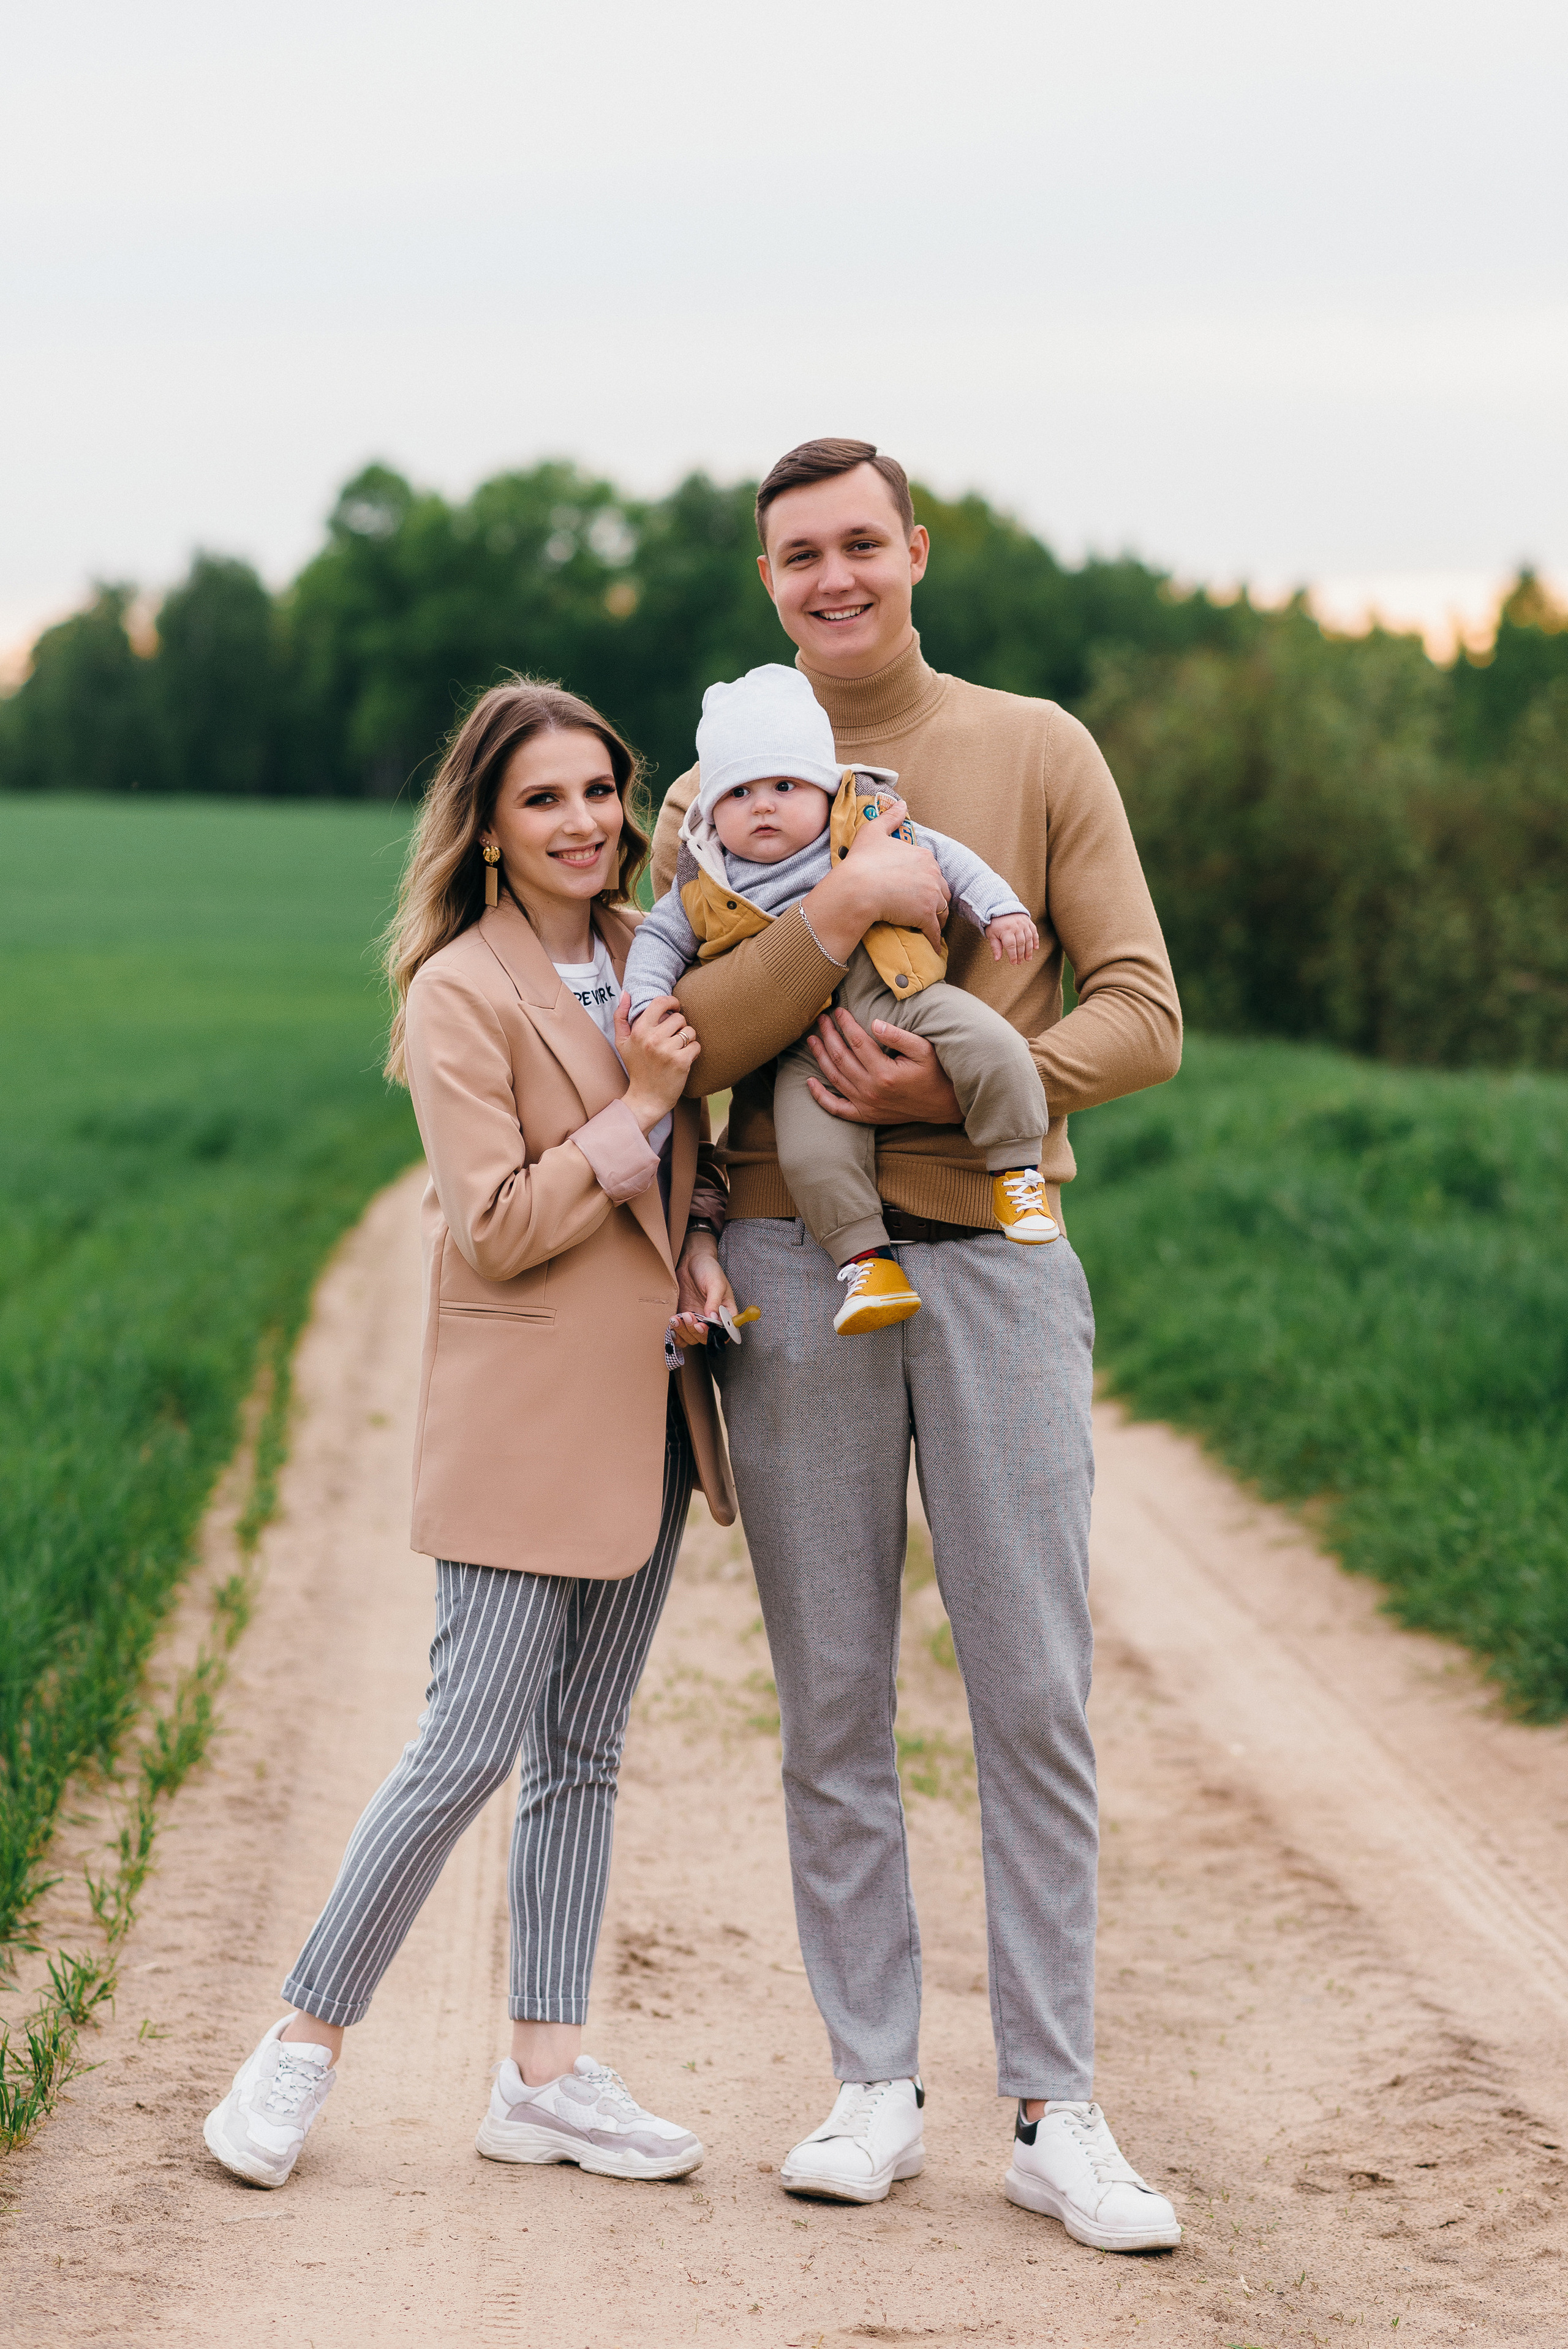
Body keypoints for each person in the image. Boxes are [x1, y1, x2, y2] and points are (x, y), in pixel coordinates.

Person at [655, 439, 1185, 2253]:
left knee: (1031, 1683)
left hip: (1001, 1260)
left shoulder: (1033, 750)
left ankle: (1054, 2107)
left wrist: (982, 1086)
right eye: (796, 554)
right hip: (796, 1272)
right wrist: (828, 921)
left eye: (858, 543)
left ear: (913, 552)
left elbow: (1144, 1011)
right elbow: (685, 1043)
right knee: (832, 1697)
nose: (832, 577)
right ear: (769, 582)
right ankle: (870, 2084)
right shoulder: (712, 783)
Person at [205, 678, 740, 2193]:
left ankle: (546, 2076)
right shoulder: (453, 988)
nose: (581, 822)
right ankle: (299, 2042)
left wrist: (697, 1238)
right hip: (519, 1419)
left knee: (583, 1743)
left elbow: (697, 1163)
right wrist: (636, 1102)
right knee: (461, 1745)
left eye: (596, 792)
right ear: (489, 832)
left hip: (653, 1404)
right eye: (543, 799)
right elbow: (496, 1225)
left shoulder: (655, 949)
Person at [624, 661, 1058, 1338]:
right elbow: (658, 938)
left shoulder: (864, 827)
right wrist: (646, 999)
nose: (762, 805)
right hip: (806, 1046)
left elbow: (949, 860)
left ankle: (1015, 1172)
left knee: (995, 1047)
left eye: (784, 785)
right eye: (738, 794)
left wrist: (999, 911)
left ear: (825, 790)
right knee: (810, 1153)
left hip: (907, 993)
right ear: (712, 811)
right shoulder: (708, 877)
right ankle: (865, 1263)